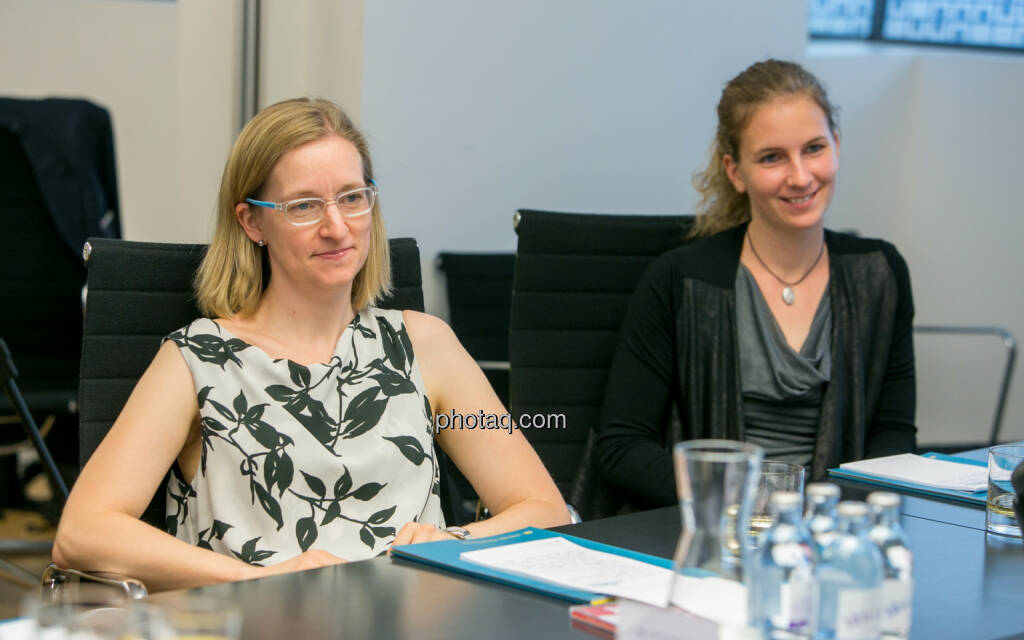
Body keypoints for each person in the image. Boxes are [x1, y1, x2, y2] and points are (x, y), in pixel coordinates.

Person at [53, 98, 569, 591]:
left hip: (413, 638)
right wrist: (263, 582)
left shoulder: (424, 345)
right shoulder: (198, 360)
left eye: (351, 197)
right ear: (252, 222)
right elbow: (83, 533)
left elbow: (540, 506)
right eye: (304, 206)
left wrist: (451, 543)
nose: (337, 226)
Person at [595, 59, 915, 510]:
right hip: (708, 529)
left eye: (814, 148)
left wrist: (828, 519)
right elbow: (622, 448)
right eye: (772, 157)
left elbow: (893, 435)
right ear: (735, 171)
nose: (801, 176)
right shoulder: (680, 280)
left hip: (830, 531)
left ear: (837, 146)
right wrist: (742, 503)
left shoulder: (881, 273)